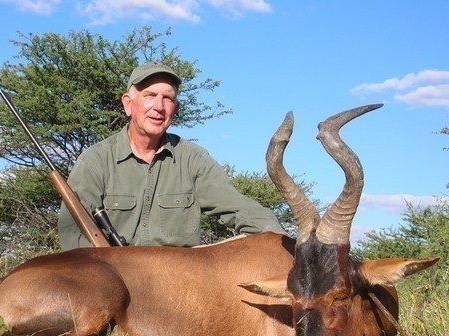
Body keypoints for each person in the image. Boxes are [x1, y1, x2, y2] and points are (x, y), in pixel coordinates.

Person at [58, 61, 285, 250]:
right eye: (150, 95)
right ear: (128, 104)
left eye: (168, 98)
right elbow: (73, 236)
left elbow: (238, 208)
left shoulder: (193, 159)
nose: (159, 106)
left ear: (175, 109)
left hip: (179, 287)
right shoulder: (94, 161)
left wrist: (284, 241)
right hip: (113, 281)